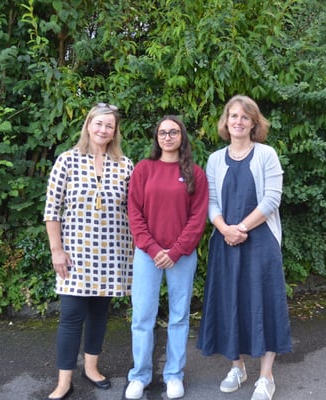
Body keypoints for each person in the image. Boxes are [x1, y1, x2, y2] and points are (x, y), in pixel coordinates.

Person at [197, 95, 292, 400]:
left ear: (254, 123)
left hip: (261, 241)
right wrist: (225, 228)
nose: (238, 121)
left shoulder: (266, 154)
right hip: (225, 242)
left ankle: (266, 376)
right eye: (233, 116)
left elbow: (272, 199)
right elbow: (211, 201)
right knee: (229, 303)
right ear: (226, 121)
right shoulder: (215, 159)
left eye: (245, 117)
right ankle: (237, 367)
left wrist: (240, 228)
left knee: (265, 303)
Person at [43, 103, 134, 400]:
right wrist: (57, 250)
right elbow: (52, 210)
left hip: (111, 253)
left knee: (99, 314)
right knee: (71, 315)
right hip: (75, 253)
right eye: (99, 124)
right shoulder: (67, 160)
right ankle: (64, 381)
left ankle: (91, 368)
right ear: (88, 125)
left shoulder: (125, 165)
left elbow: (134, 209)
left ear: (115, 131)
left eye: (109, 126)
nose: (103, 130)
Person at [124, 115, 209, 400]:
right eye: (163, 132)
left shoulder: (195, 173)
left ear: (182, 136)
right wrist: (152, 248)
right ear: (156, 137)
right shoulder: (143, 169)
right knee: (142, 316)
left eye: (173, 132)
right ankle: (139, 376)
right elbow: (134, 213)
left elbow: (197, 218)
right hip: (147, 255)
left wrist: (175, 251)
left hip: (181, 256)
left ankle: (174, 375)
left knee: (179, 316)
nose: (168, 137)